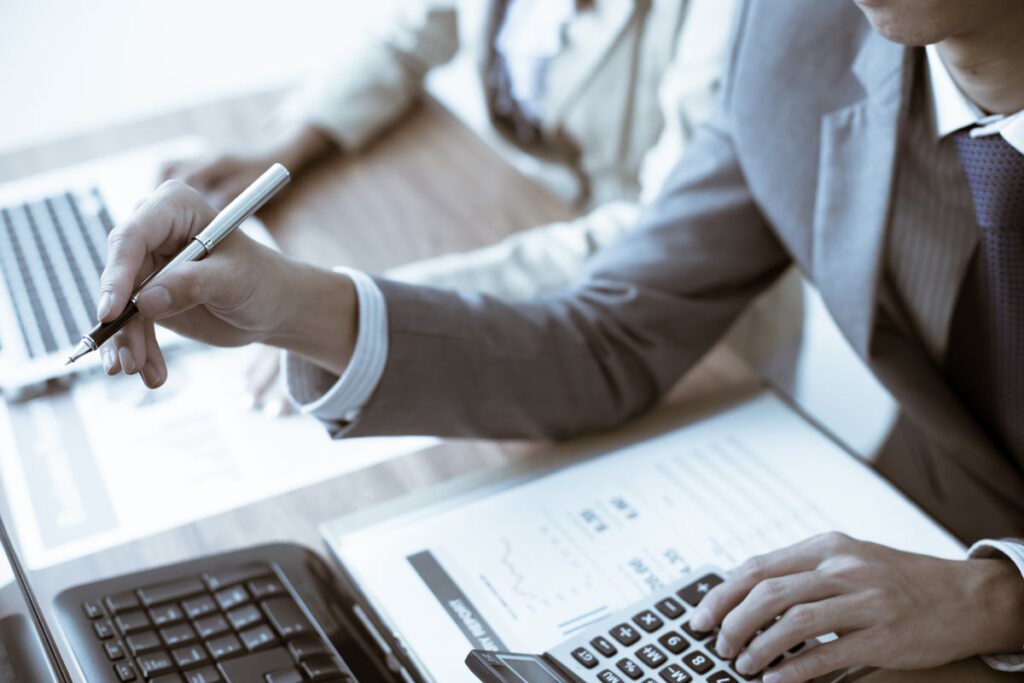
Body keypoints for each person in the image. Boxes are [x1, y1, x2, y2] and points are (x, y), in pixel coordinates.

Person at [95, 0, 1024, 680]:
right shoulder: (801, 34)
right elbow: (611, 332)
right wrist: (299, 303)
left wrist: (998, 596)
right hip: (918, 515)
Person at [163, 0, 760, 412]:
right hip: (522, 221)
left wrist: (367, 305)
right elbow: (408, 35)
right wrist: (287, 145)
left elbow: (661, 227)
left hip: (689, 318)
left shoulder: (737, 15)